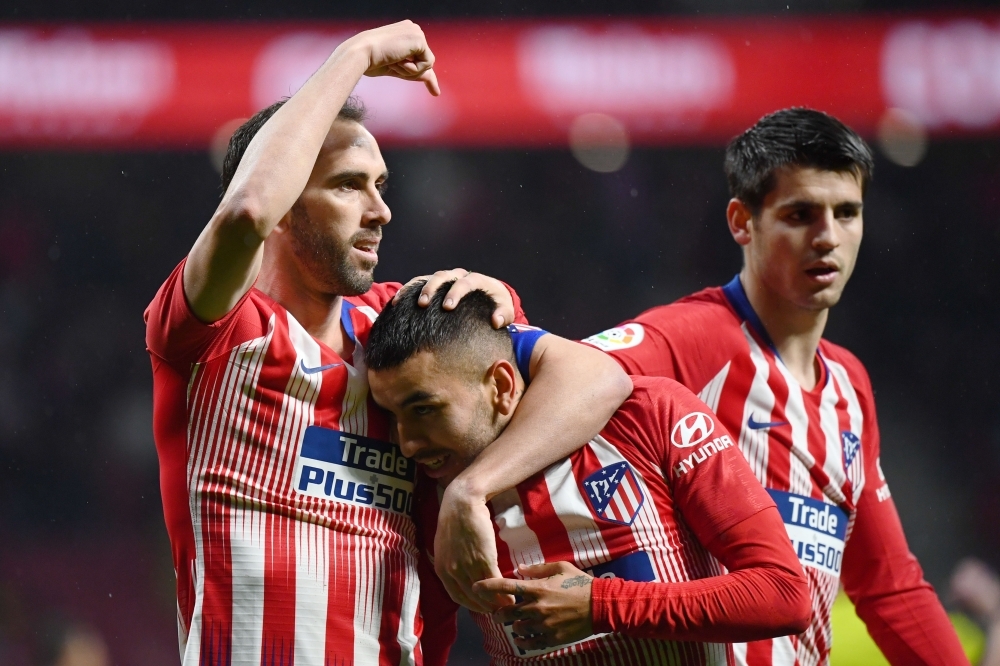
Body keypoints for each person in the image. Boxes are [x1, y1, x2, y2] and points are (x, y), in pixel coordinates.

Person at [144, 21, 631, 664]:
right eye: (349, 185)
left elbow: (601, 377)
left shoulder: (401, 330)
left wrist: (472, 487)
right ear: (288, 202)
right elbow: (245, 213)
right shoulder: (215, 334)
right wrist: (356, 55)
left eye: (381, 185)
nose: (381, 210)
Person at [581, 108, 968, 665]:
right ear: (742, 222)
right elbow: (563, 374)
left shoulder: (849, 386)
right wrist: (516, 336)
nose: (828, 237)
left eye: (847, 212)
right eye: (801, 214)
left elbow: (889, 588)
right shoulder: (694, 338)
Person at [366, 282, 812, 666]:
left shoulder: (648, 415)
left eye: (424, 409)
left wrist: (600, 605)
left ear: (501, 387)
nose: (407, 443)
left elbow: (783, 594)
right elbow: (427, 646)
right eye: (393, 415)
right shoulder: (431, 497)